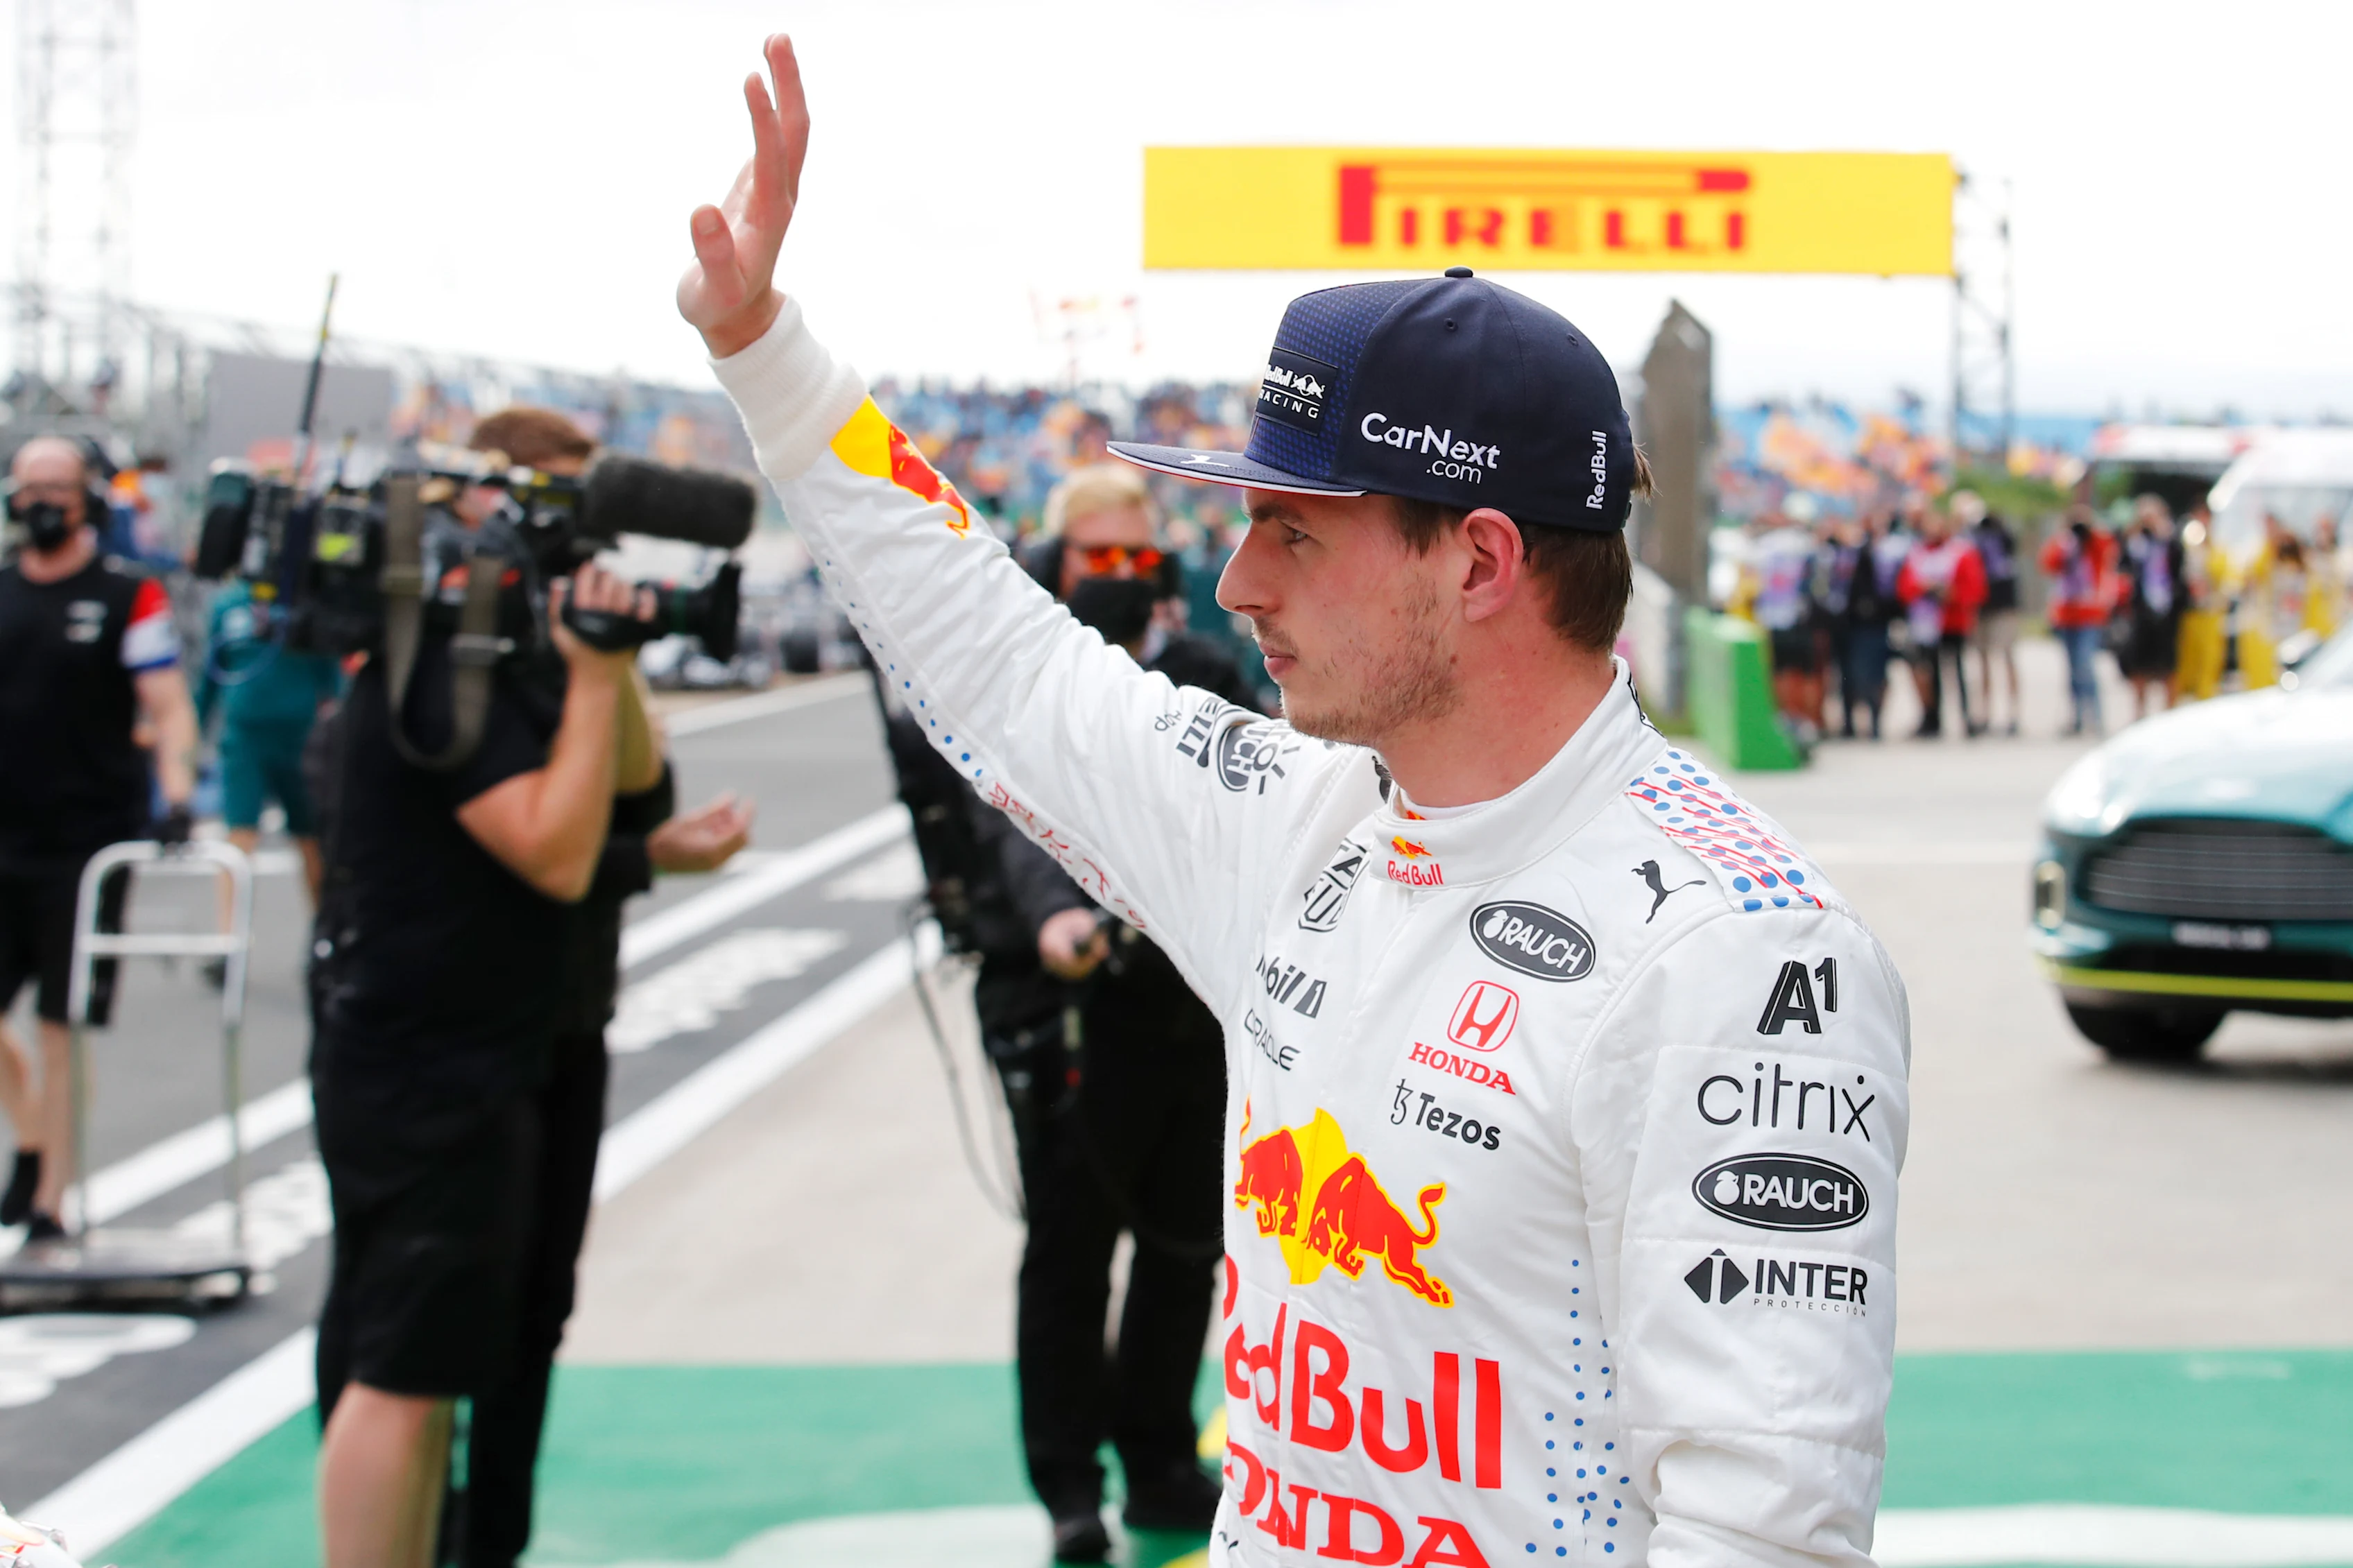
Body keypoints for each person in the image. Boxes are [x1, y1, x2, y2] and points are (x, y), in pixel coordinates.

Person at [682, 40, 1910, 1567]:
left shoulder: (1741, 953)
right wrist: (765, 348)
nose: (1232, 580)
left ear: (1475, 563)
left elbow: (1763, 1520)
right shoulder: (1307, 816)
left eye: (1291, 533)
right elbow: (1010, 669)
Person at [307, 467, 657, 1568]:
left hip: (486, 1052)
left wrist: (608, 661)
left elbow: (642, 787)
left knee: (436, 1368)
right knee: (402, 1379)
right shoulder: (430, 673)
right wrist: (595, 672)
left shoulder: (489, 665)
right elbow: (557, 855)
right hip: (426, 1065)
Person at [432, 408, 755, 1568]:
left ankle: (493, 1545)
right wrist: (642, 853)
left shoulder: (581, 639)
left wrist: (599, 656)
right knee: (429, 1332)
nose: (576, 537)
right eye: (551, 507)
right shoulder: (446, 638)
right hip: (456, 1033)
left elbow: (635, 786)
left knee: (533, 1312)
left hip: (569, 1014)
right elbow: (525, 848)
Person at [0, 435, 200, 1241]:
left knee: (61, 1023)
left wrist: (179, 788)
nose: (42, 500)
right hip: (1, 834)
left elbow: (169, 702)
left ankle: (52, 1195)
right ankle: (33, 1137)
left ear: (87, 495)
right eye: (28, 485)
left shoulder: (129, 594)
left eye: (57, 484)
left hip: (86, 843)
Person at [195, 574, 345, 910]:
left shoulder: (307, 600)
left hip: (302, 736)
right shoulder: (230, 604)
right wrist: (191, 740)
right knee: (239, 831)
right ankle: (226, 942)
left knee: (310, 836)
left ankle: (323, 934)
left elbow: (332, 679)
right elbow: (210, 676)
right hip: (245, 737)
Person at [1895, 506, 1986, 738]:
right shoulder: (1917, 553)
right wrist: (1923, 588)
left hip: (1952, 620)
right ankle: (1932, 719)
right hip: (1925, 624)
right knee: (1930, 672)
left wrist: (1951, 595)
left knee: (1957, 671)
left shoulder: (1960, 552)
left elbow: (1975, 588)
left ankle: (1968, 719)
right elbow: (1905, 587)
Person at [2040, 504, 2116, 734]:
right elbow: (2048, 564)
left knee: (2086, 665)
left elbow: (2108, 551)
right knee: (2072, 669)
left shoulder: (2095, 542)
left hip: (2089, 613)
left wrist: (2089, 532)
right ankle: (2077, 717)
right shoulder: (2064, 543)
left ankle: (2096, 716)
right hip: (2066, 614)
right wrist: (2065, 540)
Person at [1956, 492, 2022, 736]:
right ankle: (1985, 711)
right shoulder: (1965, 539)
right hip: (1980, 605)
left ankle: (2013, 713)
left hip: (2003, 604)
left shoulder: (1999, 533)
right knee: (1982, 660)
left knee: (2006, 656)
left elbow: (2010, 549)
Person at [2116, 497, 2184, 719]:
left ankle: (2170, 713)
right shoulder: (2136, 542)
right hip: (2142, 610)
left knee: (2168, 664)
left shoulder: (2171, 541)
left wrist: (2164, 534)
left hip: (2167, 610)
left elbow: (2180, 567)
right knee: (2140, 665)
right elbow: (2123, 567)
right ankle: (2139, 713)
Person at [2174, 499, 2227, 702]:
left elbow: (2222, 572)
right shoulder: (2187, 543)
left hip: (2211, 610)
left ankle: (2205, 698)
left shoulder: (2218, 547)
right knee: (2188, 659)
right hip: (2191, 610)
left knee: (2209, 659)